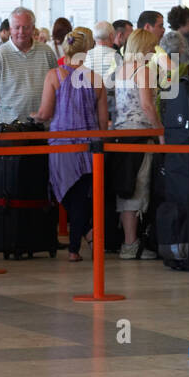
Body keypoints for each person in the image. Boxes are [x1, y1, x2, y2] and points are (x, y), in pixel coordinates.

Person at [31, 28, 108, 262]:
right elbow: (103, 120)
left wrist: (32, 115)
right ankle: (80, 242)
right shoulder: (96, 79)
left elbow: (45, 112)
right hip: (90, 145)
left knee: (66, 194)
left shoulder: (55, 75)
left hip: (62, 145)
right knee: (82, 196)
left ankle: (79, 243)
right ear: (86, 51)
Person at [114, 29, 162, 260]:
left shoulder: (120, 70)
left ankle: (128, 242)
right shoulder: (143, 71)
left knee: (126, 187)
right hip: (141, 135)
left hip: (121, 135)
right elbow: (147, 105)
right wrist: (160, 131)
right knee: (139, 187)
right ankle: (132, 244)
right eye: (152, 46)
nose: (154, 51)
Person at [0, 7, 57, 128]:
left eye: (26, 27)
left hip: (42, 126)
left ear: (33, 28)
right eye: (17, 27)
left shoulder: (46, 52)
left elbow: (57, 87)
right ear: (10, 29)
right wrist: (6, 114)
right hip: (9, 128)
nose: (21, 32)